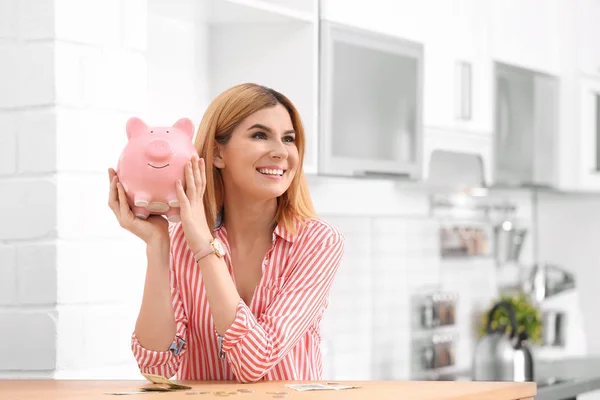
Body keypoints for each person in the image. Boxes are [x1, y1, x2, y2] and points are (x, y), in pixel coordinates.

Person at [107, 83, 345, 383]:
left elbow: (254, 362)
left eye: (288, 139)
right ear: (218, 153)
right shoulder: (181, 242)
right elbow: (156, 367)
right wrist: (158, 245)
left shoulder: (318, 242)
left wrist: (206, 248)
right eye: (260, 135)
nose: (281, 152)